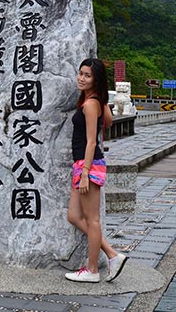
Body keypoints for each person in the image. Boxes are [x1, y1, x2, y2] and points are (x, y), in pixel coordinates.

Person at [65, 58, 127, 283]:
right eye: (80, 73)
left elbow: (92, 142)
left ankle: (92, 270)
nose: (81, 78)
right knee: (74, 215)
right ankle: (112, 254)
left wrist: (85, 173)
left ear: (96, 79)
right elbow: (108, 121)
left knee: (92, 220)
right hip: (82, 164)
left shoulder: (91, 104)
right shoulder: (94, 101)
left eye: (87, 75)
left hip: (88, 165)